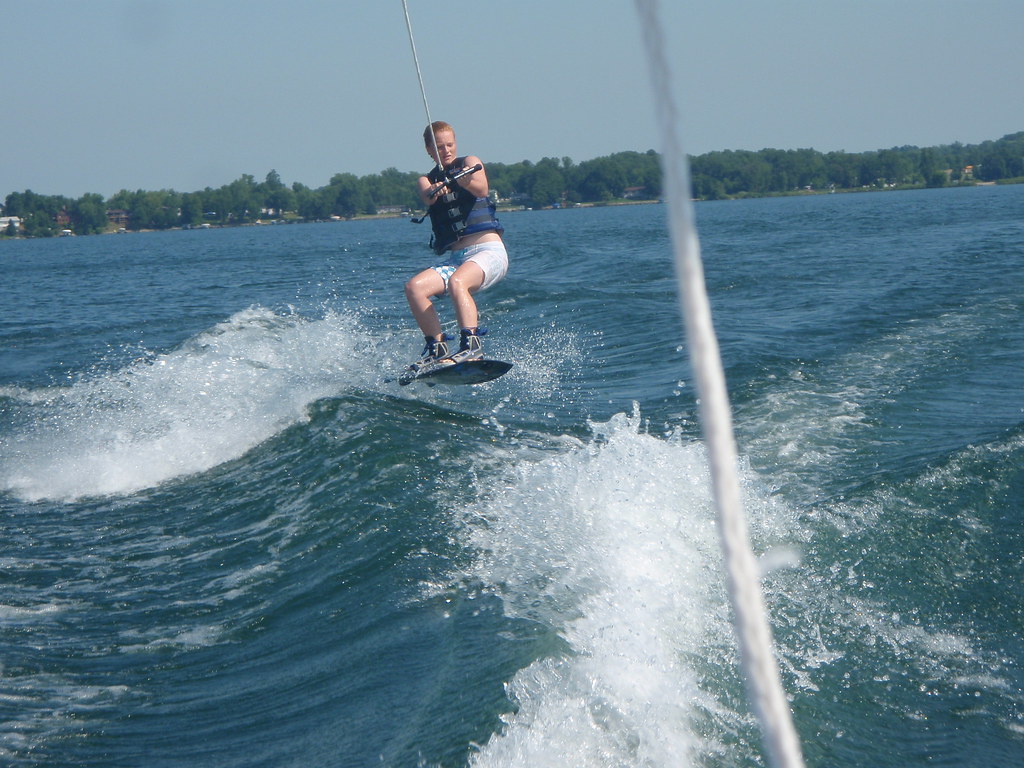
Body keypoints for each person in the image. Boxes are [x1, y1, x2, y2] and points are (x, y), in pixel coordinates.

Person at [404, 121, 508, 369]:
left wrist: (464, 181)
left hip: (488, 253)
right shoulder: (425, 179)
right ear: (429, 150)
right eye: (439, 147)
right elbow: (427, 195)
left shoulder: (469, 163)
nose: (447, 150)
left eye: (450, 144)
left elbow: (482, 188)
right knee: (414, 287)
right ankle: (437, 347)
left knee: (457, 282)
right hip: (458, 259)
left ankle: (472, 347)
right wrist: (435, 190)